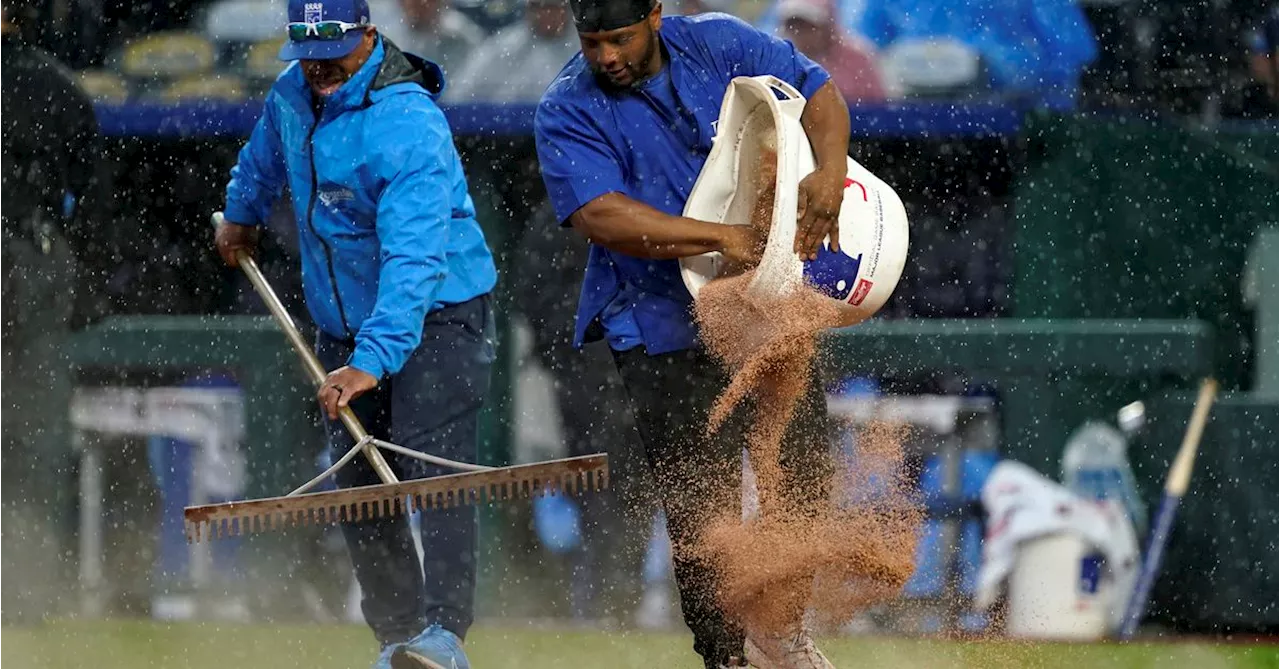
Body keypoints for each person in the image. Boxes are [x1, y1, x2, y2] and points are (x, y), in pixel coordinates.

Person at [534, 1, 850, 667]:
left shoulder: (717, 40)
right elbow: (602, 215)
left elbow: (818, 89)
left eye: (619, 39)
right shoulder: (566, 105)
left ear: (653, 14)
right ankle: (727, 656)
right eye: (593, 43)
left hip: (766, 307)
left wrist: (829, 169)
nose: (607, 57)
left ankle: (781, 635)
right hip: (656, 324)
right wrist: (724, 237)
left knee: (806, 469)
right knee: (704, 511)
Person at [214, 1, 497, 667]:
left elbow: (415, 262)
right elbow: (262, 160)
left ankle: (445, 636)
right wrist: (240, 213)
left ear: (369, 36)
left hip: (437, 316)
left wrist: (371, 360)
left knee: (437, 478)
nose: (320, 76)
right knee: (363, 486)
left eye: (334, 61)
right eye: (307, 61)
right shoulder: (292, 93)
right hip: (344, 325)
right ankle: (397, 640)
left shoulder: (407, 124)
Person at [0, 0, 105, 624]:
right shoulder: (53, 83)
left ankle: (27, 585)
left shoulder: (48, 83)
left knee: (33, 435)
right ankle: (27, 589)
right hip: (34, 256)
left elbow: (95, 200)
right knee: (31, 434)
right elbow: (95, 204)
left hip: (29, 260)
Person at [443, 0, 581, 103]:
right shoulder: (503, 47)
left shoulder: (585, 48)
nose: (546, 14)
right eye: (539, 7)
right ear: (527, 9)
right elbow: (458, 96)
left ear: (567, 9)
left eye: (553, 8)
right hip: (504, 135)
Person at [777, 0, 885, 102]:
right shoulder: (777, 62)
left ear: (827, 27)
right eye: (793, 26)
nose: (799, 33)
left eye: (808, 27)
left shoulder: (858, 59)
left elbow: (879, 109)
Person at [379, 0, 485, 77]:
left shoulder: (462, 36)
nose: (421, 5)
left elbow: (470, 87)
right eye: (413, 1)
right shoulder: (387, 39)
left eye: (429, 1)